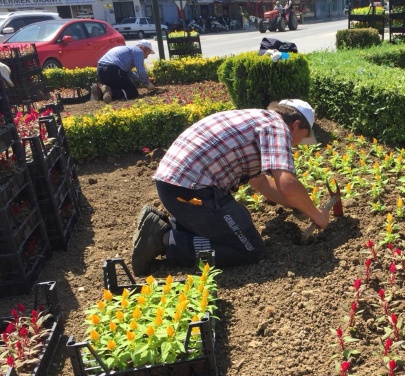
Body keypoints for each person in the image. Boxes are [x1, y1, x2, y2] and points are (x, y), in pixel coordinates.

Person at [131, 99, 330, 275]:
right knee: (250, 248)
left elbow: (259, 182)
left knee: (235, 222)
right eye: (303, 137)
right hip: (193, 191)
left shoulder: (257, 118)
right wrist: (316, 214)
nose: (298, 144)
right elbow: (287, 184)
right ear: (296, 125)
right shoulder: (279, 128)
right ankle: (165, 239)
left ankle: (162, 225)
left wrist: (297, 204)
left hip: (174, 186)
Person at [91, 40, 156, 104]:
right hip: (113, 69)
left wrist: (145, 79)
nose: (147, 57)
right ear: (143, 48)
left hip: (100, 69)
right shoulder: (138, 51)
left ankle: (100, 91)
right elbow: (141, 71)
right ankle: (110, 91)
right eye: (148, 52)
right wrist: (147, 83)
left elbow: (129, 73)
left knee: (118, 88)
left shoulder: (128, 50)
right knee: (133, 92)